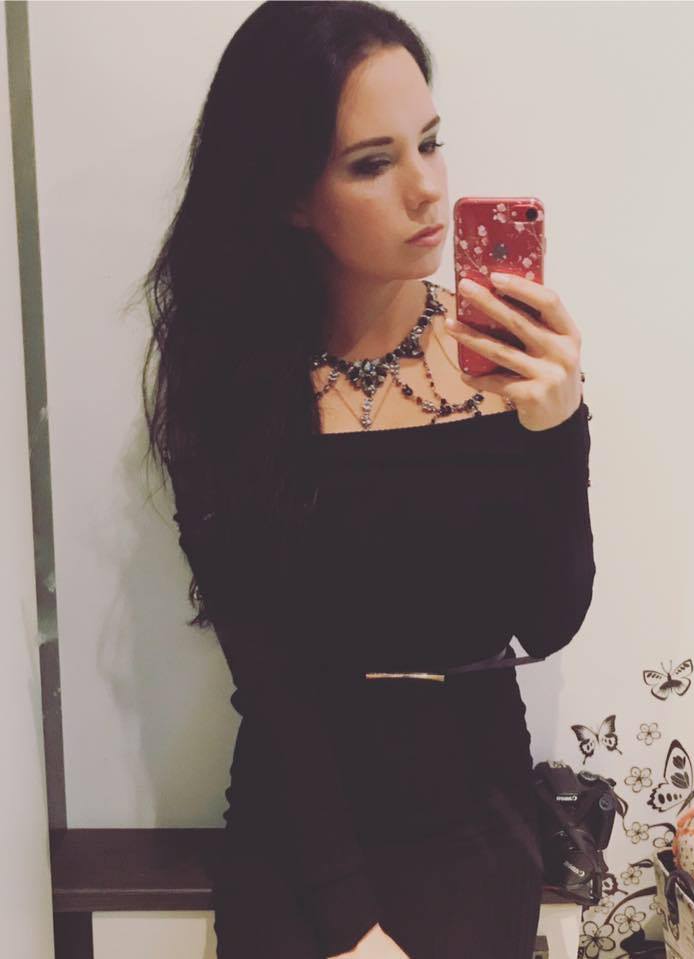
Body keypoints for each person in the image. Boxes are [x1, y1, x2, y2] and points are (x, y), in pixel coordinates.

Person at [141, 3, 596, 957]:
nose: (427, 190)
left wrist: (559, 431)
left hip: (474, 815)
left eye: (430, 143)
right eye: (372, 163)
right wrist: (350, 921)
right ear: (289, 194)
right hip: (302, 823)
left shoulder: (502, 365)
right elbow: (272, 679)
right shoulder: (231, 387)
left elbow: (547, 620)